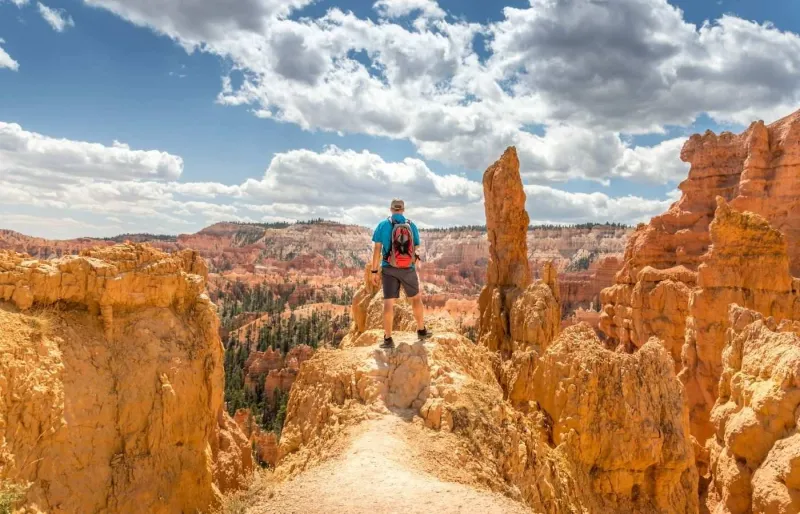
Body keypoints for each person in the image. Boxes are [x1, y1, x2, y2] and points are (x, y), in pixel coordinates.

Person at [370, 199, 429, 349]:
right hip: (408, 268)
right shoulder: (411, 225)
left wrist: (374, 271)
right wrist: (408, 259)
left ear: (391, 209)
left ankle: (388, 339)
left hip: (388, 268)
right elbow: (416, 246)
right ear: (403, 209)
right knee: (415, 298)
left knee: (389, 303)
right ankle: (421, 331)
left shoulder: (382, 225)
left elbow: (377, 249)